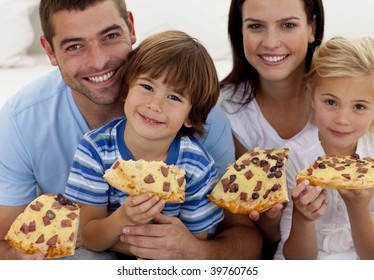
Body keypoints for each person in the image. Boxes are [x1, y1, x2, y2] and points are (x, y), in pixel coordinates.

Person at [0, 0, 235, 260]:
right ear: (50, 51)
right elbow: (9, 240)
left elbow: (226, 233)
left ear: (131, 27)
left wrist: (195, 252)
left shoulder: (202, 115)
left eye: (110, 36)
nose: (99, 62)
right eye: (74, 46)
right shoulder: (25, 122)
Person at [64, 30, 224, 256]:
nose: (155, 105)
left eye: (174, 97)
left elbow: (193, 244)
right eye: (147, 87)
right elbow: (89, 236)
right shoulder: (95, 150)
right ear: (127, 88)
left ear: (190, 116)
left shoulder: (196, 165)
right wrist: (124, 217)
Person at [213, 0, 325, 258]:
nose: (271, 42)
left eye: (287, 25)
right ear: (239, 30)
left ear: (312, 28)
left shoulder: (345, 103)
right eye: (255, 26)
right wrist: (269, 220)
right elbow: (262, 235)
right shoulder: (222, 112)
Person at [274, 36, 374, 260]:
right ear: (312, 96)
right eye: (331, 102)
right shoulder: (294, 158)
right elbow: (298, 260)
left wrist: (358, 210)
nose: (342, 119)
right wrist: (303, 218)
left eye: (359, 106)